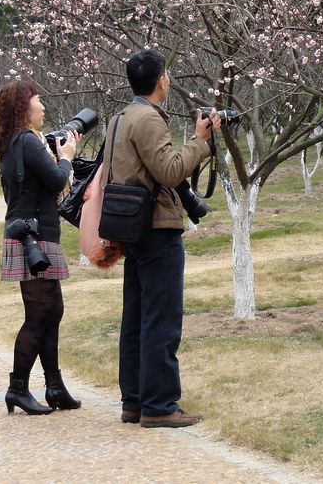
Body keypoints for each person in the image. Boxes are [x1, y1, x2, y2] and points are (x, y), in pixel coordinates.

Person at [105, 49, 221, 428]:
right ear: (162, 82)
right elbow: (170, 172)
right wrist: (199, 140)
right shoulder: (149, 120)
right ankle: (160, 406)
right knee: (162, 320)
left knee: (136, 318)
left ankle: (135, 401)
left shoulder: (118, 118)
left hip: (132, 227)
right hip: (157, 228)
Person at [0, 79, 83, 414]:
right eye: (38, 101)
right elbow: (58, 181)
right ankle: (18, 388)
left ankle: (54, 387)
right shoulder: (26, 141)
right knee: (39, 314)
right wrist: (67, 157)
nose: (43, 107)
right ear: (24, 108)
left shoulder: (18, 141)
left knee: (51, 311)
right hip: (34, 239)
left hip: (36, 236)